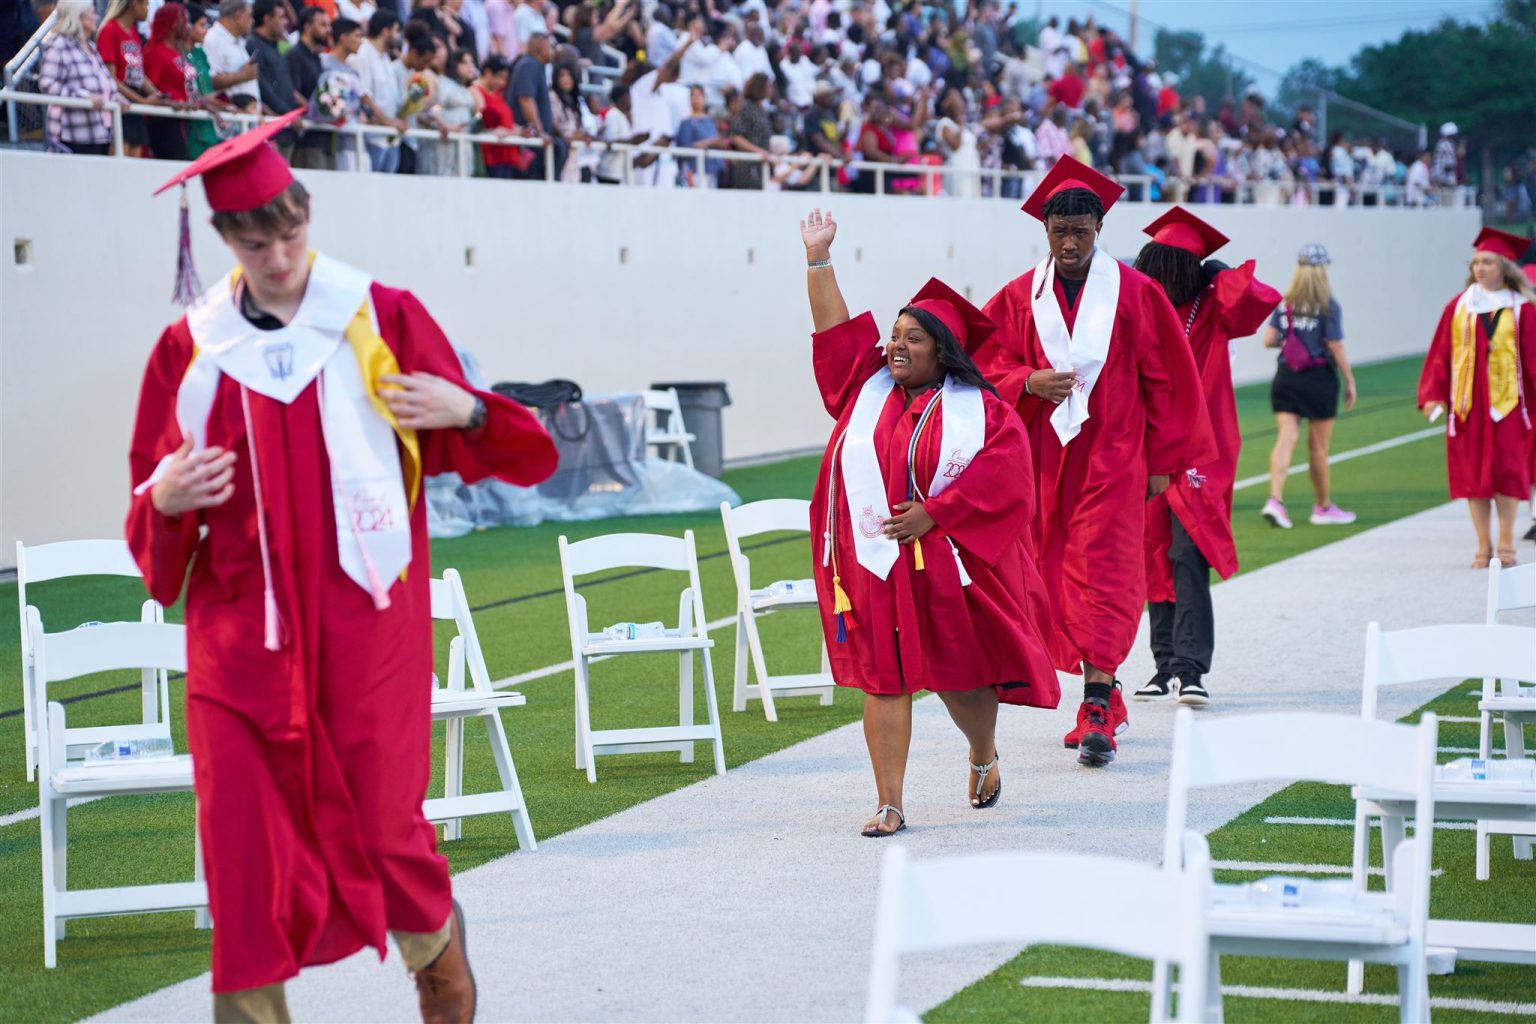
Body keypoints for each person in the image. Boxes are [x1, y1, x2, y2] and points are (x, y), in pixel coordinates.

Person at [129, 110, 558, 1022]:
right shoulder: (192, 351)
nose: (277, 254)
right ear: (223, 237)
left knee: (381, 829)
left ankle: (440, 964)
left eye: (288, 230)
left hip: (368, 634)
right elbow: (152, 524)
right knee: (241, 854)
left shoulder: (379, 317)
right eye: (253, 237)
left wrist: (467, 411)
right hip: (238, 645)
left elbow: (521, 456)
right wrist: (161, 503)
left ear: (308, 212)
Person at [799, 208, 1059, 836]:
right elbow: (835, 333)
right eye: (894, 334)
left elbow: (1007, 480)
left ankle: (982, 752)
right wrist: (818, 259)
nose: (896, 346)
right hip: (870, 561)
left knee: (960, 680)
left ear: (943, 354)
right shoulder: (865, 388)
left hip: (946, 564)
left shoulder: (982, 413)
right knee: (882, 679)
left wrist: (936, 514)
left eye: (913, 339)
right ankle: (890, 803)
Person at [976, 156, 1213, 767]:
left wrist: (1163, 459)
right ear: (1046, 233)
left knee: (1105, 573)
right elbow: (981, 363)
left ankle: (1098, 702)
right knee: (1054, 575)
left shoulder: (1136, 293)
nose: (1071, 242)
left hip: (1115, 457)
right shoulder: (1018, 296)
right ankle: (1100, 688)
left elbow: (1169, 380)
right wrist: (1027, 379)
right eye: (1061, 232)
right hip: (1044, 461)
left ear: (1099, 228)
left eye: (1082, 230)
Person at [1131, 207, 1281, 706]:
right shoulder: (1144, 309)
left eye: (1170, 268)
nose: (1158, 277)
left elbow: (1258, 301)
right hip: (1149, 444)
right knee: (1153, 553)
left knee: (1186, 551)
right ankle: (1163, 664)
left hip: (1202, 448)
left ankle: (1192, 668)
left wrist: (1221, 272)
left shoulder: (1213, 309)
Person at [1418, 227, 1536, 567]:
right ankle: (1483, 545)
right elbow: (1441, 353)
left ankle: (1507, 542)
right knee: (1474, 477)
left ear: (1504, 267)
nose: (1480, 269)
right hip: (1467, 406)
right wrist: (1433, 394)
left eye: (1487, 262)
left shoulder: (1522, 309)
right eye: (1476, 263)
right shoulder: (1458, 307)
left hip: (1510, 406)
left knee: (1509, 472)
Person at [1259, 243, 1358, 530]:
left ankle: (1275, 500)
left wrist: (1293, 342)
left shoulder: (1285, 302)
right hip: (1318, 378)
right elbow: (1335, 345)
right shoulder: (1327, 305)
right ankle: (1323, 506)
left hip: (1287, 376)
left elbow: (1268, 339)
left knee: (1285, 438)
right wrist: (1350, 380)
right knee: (1318, 447)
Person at [36, 0, 116, 156]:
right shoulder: (58, 43)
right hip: (72, 135)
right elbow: (46, 83)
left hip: (99, 132)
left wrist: (117, 98)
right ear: (78, 16)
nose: (97, 17)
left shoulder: (90, 47)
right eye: (92, 12)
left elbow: (103, 84)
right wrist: (83, 98)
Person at [97, 0, 162, 157]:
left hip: (134, 106)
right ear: (133, 4)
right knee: (118, 164)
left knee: (135, 164)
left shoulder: (133, 32)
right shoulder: (110, 30)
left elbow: (138, 73)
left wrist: (159, 95)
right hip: (120, 103)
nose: (148, 9)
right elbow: (111, 79)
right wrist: (143, 101)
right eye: (145, 4)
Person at [350, 9, 406, 172]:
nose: (397, 36)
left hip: (390, 136)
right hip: (371, 136)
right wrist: (386, 121)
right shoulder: (362, 54)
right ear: (385, 31)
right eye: (396, 31)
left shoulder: (386, 57)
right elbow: (363, 95)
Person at [287, 5, 333, 167]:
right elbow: (291, 91)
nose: (328, 30)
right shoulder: (294, 55)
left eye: (328, 25)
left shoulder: (317, 58)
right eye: (323, 25)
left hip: (320, 134)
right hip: (305, 138)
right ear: (307, 27)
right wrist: (317, 109)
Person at [507, 31, 554, 178]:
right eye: (550, 47)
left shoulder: (536, 66)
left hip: (532, 141)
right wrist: (540, 132)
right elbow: (526, 100)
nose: (552, 51)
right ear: (541, 47)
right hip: (528, 143)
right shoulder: (529, 65)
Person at [203, 0, 259, 112]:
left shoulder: (239, 41)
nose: (252, 21)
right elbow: (207, 81)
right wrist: (242, 75)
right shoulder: (212, 39)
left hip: (246, 120)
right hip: (228, 121)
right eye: (250, 16)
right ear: (238, 15)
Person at [727, 71, 772, 190]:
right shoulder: (747, 108)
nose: (770, 89)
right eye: (768, 85)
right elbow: (736, 137)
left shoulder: (761, 110)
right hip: (748, 167)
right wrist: (758, 151)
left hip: (759, 166)